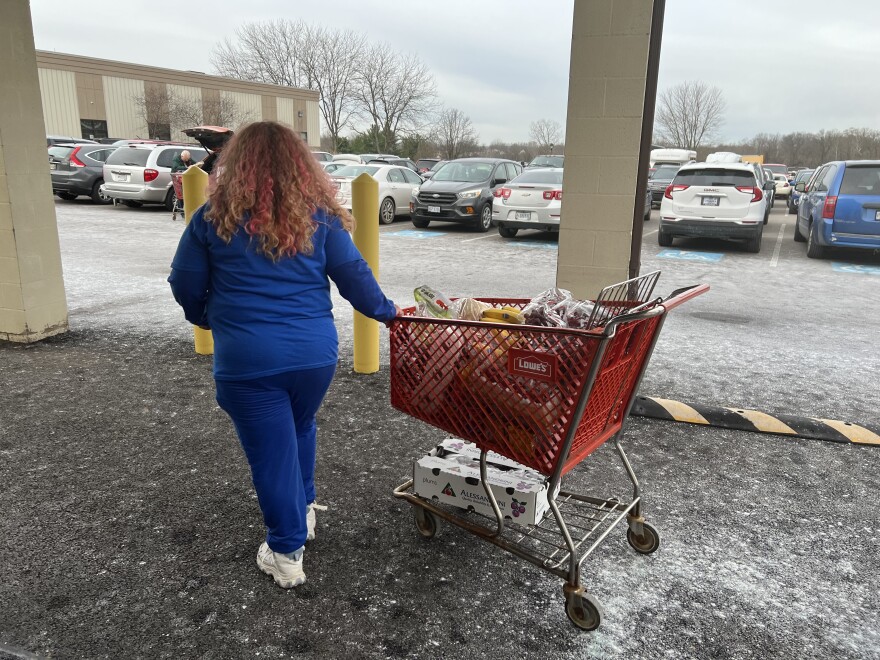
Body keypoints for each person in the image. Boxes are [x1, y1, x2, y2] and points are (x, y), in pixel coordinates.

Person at [167, 121, 399, 589]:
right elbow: (355, 277)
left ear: (238, 164)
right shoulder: (319, 217)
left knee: (272, 454)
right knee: (299, 427)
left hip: (249, 360)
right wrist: (390, 314)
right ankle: (305, 508)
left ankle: (286, 548)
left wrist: (207, 316)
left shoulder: (212, 218)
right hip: (314, 356)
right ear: (300, 166)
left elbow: (184, 284)